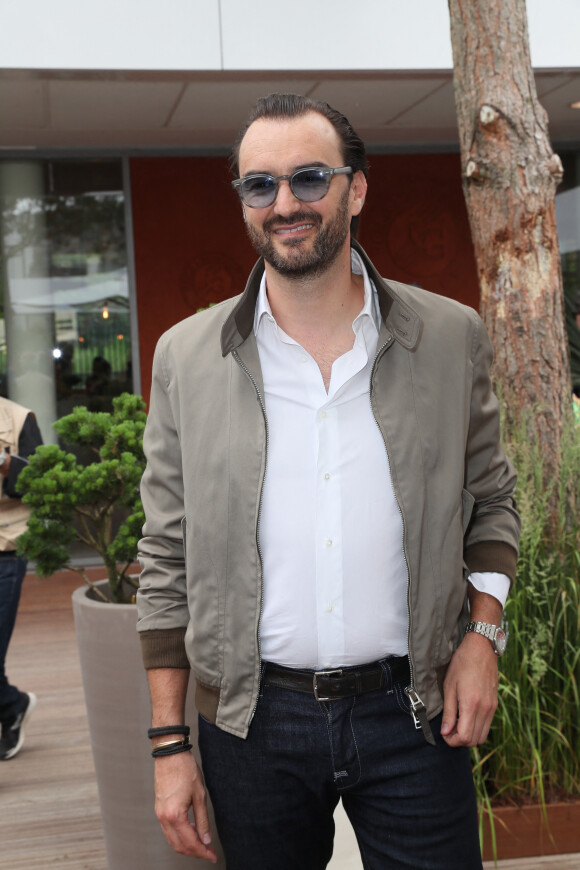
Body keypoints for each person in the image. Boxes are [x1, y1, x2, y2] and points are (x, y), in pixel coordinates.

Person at [137, 94, 521, 869]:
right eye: (261, 185)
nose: (285, 204)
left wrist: (483, 637)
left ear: (357, 189)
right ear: (245, 200)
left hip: (415, 713)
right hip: (251, 724)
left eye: (310, 179)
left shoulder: (448, 338)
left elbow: (492, 503)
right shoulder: (185, 357)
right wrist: (170, 745)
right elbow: (165, 557)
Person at [0, 397, 42, 761]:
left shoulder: (19, 419)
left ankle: (12, 706)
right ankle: (13, 704)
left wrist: (4, 463)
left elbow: (41, 479)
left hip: (6, 547)